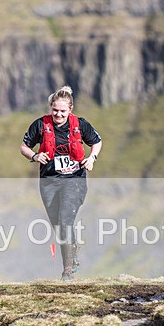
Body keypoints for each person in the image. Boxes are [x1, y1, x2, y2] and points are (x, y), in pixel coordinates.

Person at [20, 85, 103, 280]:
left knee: (66, 219)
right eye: (55, 110)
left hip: (74, 180)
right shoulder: (40, 125)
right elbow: (24, 147)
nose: (58, 114)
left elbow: (97, 142)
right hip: (49, 181)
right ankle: (72, 257)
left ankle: (68, 271)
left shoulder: (80, 125)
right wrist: (34, 156)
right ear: (51, 107)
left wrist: (92, 159)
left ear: (70, 109)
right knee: (58, 224)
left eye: (62, 111)